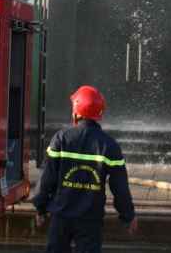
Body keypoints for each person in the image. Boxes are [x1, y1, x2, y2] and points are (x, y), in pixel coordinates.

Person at [33, 85, 136, 252]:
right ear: (99, 113)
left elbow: (47, 178)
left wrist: (40, 208)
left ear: (76, 111)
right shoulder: (109, 146)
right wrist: (128, 216)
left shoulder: (61, 139)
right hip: (90, 219)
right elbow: (120, 188)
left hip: (61, 216)